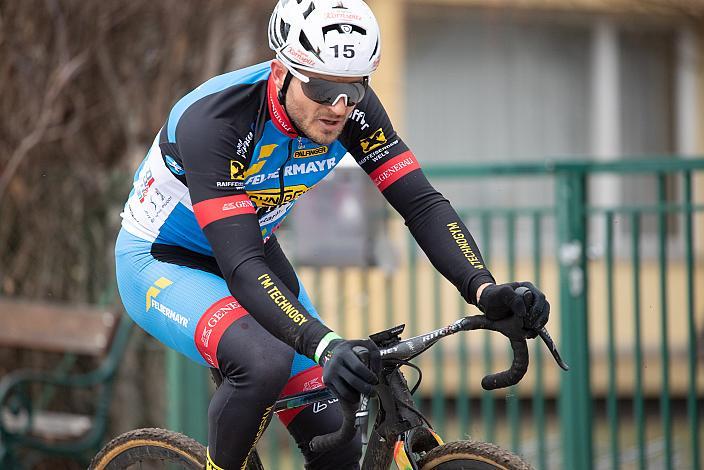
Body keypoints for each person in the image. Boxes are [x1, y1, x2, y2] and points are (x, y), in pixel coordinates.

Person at [114, 1, 550, 469]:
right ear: (282, 71)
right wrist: (323, 344)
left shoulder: (350, 111)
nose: (338, 106)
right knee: (262, 362)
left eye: (354, 89)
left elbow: (421, 204)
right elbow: (239, 264)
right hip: (164, 260)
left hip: (252, 252)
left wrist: (483, 287)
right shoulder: (217, 120)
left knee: (338, 439)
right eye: (322, 88)